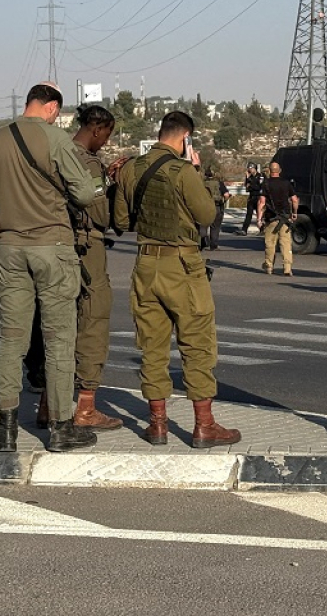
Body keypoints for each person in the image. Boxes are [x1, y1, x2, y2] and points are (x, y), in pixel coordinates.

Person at [0, 82, 100, 454]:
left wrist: (7, 205)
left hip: (11, 249)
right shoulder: (56, 139)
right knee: (58, 340)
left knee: (11, 339)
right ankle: (61, 429)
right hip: (53, 248)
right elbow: (83, 193)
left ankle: (7, 430)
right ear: (51, 108)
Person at [114, 110, 240, 449]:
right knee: (196, 344)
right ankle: (204, 426)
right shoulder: (184, 171)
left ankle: (157, 424)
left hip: (145, 265)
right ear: (185, 138)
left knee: (152, 346)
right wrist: (194, 172)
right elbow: (207, 215)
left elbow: (122, 219)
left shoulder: (130, 168)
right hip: (182, 267)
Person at [68, 104, 125, 430]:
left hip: (57, 246)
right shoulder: (88, 163)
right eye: (107, 135)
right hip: (86, 248)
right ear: (97, 129)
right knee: (93, 320)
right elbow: (102, 215)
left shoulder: (56, 152)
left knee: (58, 326)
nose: (106, 142)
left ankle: (50, 403)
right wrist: (112, 183)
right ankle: (85, 408)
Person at [258, 161, 298, 276]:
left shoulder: (265, 184)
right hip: (285, 219)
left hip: (271, 219)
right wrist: (294, 213)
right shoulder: (287, 183)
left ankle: (269, 266)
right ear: (280, 171)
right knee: (285, 244)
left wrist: (259, 219)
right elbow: (295, 200)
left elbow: (261, 202)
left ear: (269, 171)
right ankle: (287, 268)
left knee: (270, 243)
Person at [201, 167, 229, 251]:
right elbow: (226, 195)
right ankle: (214, 245)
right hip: (217, 206)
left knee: (203, 226)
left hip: (204, 207)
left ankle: (202, 243)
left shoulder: (201, 183)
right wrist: (224, 202)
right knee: (215, 227)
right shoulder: (219, 183)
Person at [240, 163, 263, 235]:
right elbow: (247, 188)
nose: (250, 170)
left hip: (258, 197)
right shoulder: (250, 177)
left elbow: (260, 187)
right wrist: (247, 178)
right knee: (248, 215)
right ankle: (244, 230)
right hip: (251, 197)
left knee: (259, 215)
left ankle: (262, 229)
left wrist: (251, 186)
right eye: (249, 169)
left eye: (251, 168)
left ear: (254, 168)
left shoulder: (260, 176)